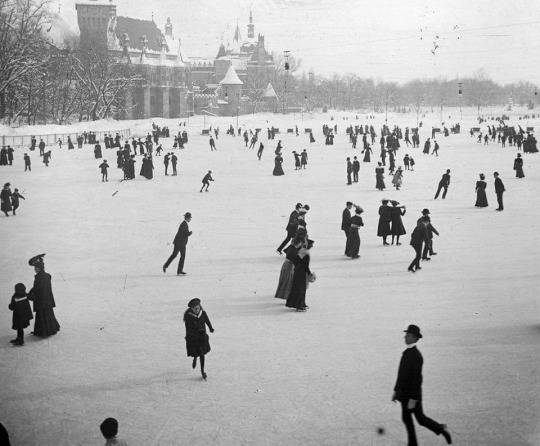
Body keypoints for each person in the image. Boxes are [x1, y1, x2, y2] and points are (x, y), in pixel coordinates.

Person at [392, 325, 453, 445]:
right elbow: (401, 375)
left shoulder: (415, 355)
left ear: (415, 338)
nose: (405, 337)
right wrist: (396, 391)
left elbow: (417, 379)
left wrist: (413, 399)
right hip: (404, 394)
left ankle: (441, 429)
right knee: (408, 419)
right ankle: (414, 443)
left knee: (419, 419)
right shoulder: (407, 353)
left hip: (412, 395)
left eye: (408, 335)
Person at [27, 254, 61, 337]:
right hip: (48, 300)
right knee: (48, 315)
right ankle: (51, 330)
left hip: (41, 301)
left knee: (42, 316)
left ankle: (43, 332)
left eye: (35, 268)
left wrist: (30, 296)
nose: (34, 269)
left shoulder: (38, 277)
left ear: (39, 268)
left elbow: (38, 289)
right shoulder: (47, 276)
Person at [184, 298, 214, 379]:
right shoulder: (188, 317)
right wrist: (196, 335)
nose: (197, 310)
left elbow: (207, 321)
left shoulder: (203, 313)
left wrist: (211, 328)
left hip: (202, 338)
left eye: (198, 308)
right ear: (191, 308)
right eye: (195, 309)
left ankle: (202, 371)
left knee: (202, 354)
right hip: (193, 339)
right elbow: (188, 329)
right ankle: (194, 358)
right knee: (196, 353)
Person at [286, 239, 314, 311]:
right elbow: (305, 265)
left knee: (297, 288)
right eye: (311, 245)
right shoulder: (306, 254)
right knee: (301, 289)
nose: (312, 246)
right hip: (301, 273)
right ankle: (299, 305)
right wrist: (309, 273)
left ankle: (300, 303)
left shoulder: (301, 251)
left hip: (297, 271)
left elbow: (296, 261)